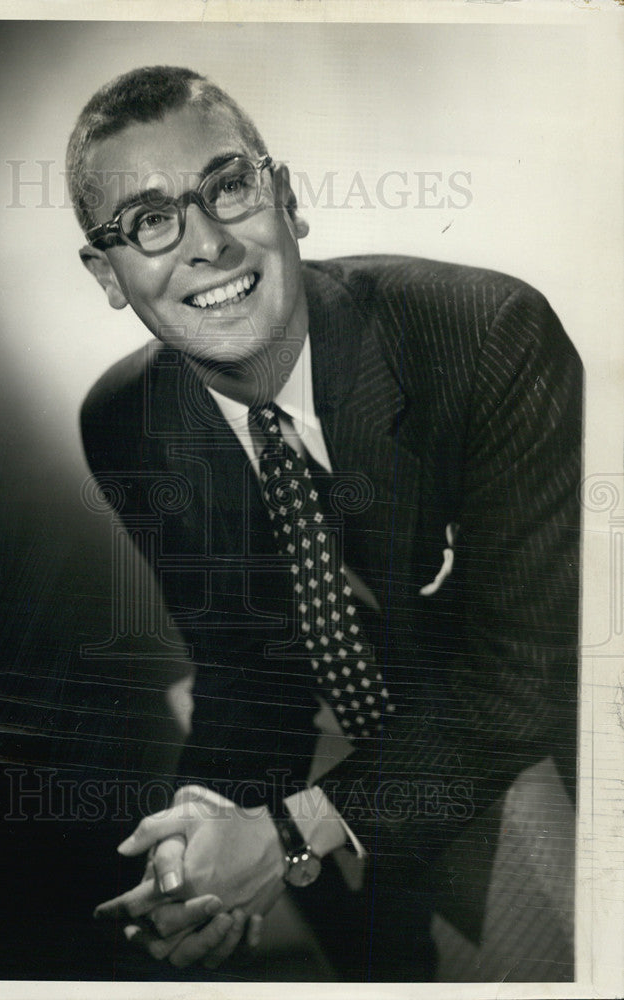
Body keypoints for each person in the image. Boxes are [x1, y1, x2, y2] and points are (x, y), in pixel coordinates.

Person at [67, 65, 582, 980]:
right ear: (108, 274)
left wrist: (290, 831)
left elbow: (519, 682)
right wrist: (197, 851)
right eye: (149, 222)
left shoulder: (488, 335)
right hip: (359, 739)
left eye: (228, 187)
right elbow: (237, 665)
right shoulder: (122, 422)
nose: (207, 244)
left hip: (538, 732)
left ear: (287, 200)